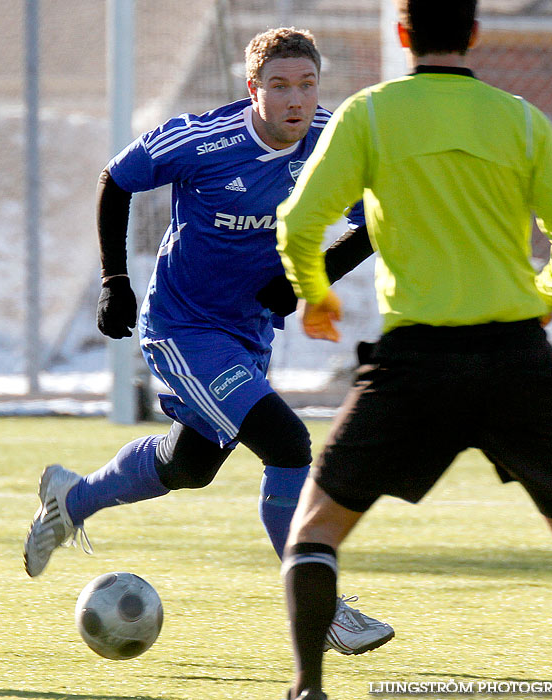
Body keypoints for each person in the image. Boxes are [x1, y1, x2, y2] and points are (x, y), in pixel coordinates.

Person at [23, 27, 394, 656]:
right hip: (184, 328)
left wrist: (311, 278)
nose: (294, 100)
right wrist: (116, 280)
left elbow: (382, 217)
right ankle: (321, 606)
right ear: (253, 90)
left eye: (306, 85)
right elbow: (115, 181)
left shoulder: (337, 140)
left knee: (187, 466)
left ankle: (72, 498)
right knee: (287, 442)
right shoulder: (202, 140)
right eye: (279, 86)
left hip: (247, 334)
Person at [275, 2, 552, 698]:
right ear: (475, 34)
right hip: (516, 359)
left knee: (316, 528)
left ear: (402, 35)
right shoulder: (520, 120)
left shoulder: (370, 115)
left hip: (416, 364)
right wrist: (542, 298)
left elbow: (301, 223)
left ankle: (307, 689)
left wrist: (316, 293)